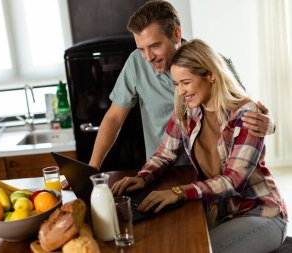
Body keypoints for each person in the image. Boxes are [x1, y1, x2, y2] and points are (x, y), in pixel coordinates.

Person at [111, 39, 288, 253]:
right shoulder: (188, 111)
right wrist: (142, 177)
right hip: (224, 216)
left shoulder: (246, 114)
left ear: (210, 74)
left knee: (196, 249)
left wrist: (178, 192)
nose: (181, 91)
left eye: (186, 82)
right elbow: (164, 155)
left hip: (260, 213)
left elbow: (235, 180)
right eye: (176, 84)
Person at [88, 0, 275, 170]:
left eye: (154, 46)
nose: (147, 57)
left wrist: (270, 124)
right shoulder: (137, 63)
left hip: (213, 173)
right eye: (141, 49)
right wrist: (92, 168)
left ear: (176, 34)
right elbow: (114, 118)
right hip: (161, 169)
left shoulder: (216, 64)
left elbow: (246, 111)